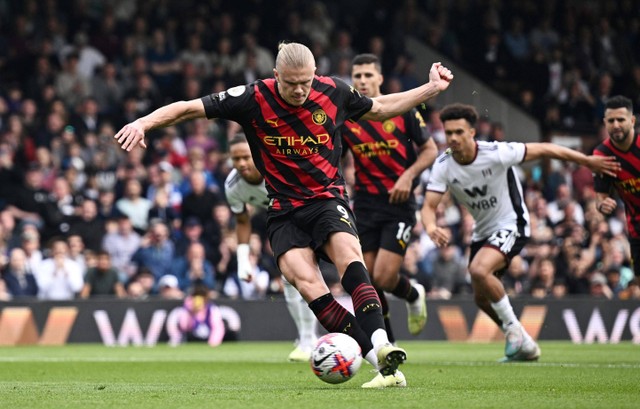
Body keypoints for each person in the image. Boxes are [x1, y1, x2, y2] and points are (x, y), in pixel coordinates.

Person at [115, 42, 454, 388]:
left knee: (351, 260)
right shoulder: (252, 97)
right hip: (283, 210)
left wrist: (431, 88)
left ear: (315, 74)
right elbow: (189, 108)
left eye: (305, 82)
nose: (299, 90)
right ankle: (381, 366)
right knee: (309, 287)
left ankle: (383, 345)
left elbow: (381, 107)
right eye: (291, 83)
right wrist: (144, 123)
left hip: (326, 199)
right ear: (276, 75)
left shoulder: (334, 91)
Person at [420, 103, 619, 362]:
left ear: (472, 132)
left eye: (459, 132)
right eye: (449, 133)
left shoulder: (497, 152)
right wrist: (432, 226)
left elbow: (546, 149)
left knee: (479, 270)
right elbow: (428, 206)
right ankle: (522, 341)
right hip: (483, 230)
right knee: (481, 298)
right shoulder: (443, 164)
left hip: (511, 223)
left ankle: (515, 332)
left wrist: (587, 161)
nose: (453, 138)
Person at [342, 53, 435, 342]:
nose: (363, 81)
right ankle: (388, 341)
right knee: (368, 280)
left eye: (369, 75)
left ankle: (412, 293)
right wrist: (347, 174)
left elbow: (430, 150)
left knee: (382, 276)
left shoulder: (401, 109)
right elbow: (338, 159)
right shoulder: (346, 118)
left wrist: (408, 176)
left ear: (380, 78)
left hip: (398, 204)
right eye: (358, 76)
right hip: (366, 204)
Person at [224, 133, 319, 362]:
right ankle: (307, 338)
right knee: (289, 281)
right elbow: (243, 221)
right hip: (283, 225)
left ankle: (312, 339)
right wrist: (243, 259)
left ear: (255, 152)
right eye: (236, 159)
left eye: (246, 157)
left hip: (311, 215)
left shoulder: (275, 168)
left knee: (306, 278)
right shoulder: (233, 186)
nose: (242, 164)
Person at [593, 95, 640, 286]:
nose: (616, 125)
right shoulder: (602, 155)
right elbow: (600, 197)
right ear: (605, 123)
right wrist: (602, 204)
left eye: (621, 119)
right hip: (637, 229)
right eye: (611, 120)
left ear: (632, 120)